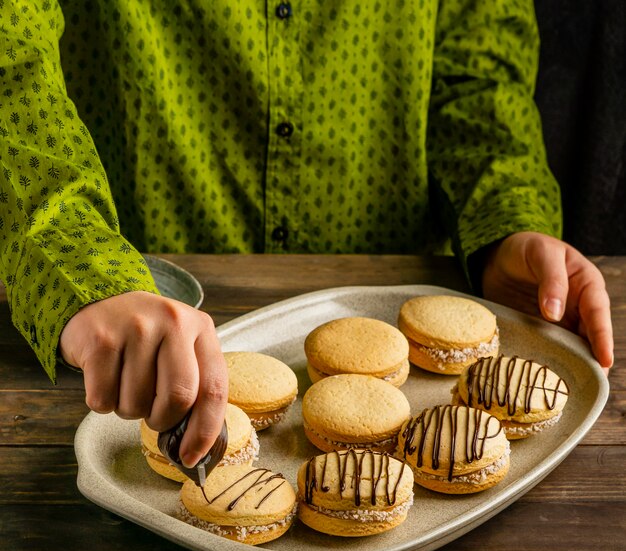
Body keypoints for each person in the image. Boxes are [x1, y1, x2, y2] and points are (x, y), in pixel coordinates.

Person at [0, 1, 613, 469]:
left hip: (396, 303)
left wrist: (505, 220)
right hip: (126, 338)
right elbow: (12, 64)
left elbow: (477, 68)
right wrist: (79, 265)